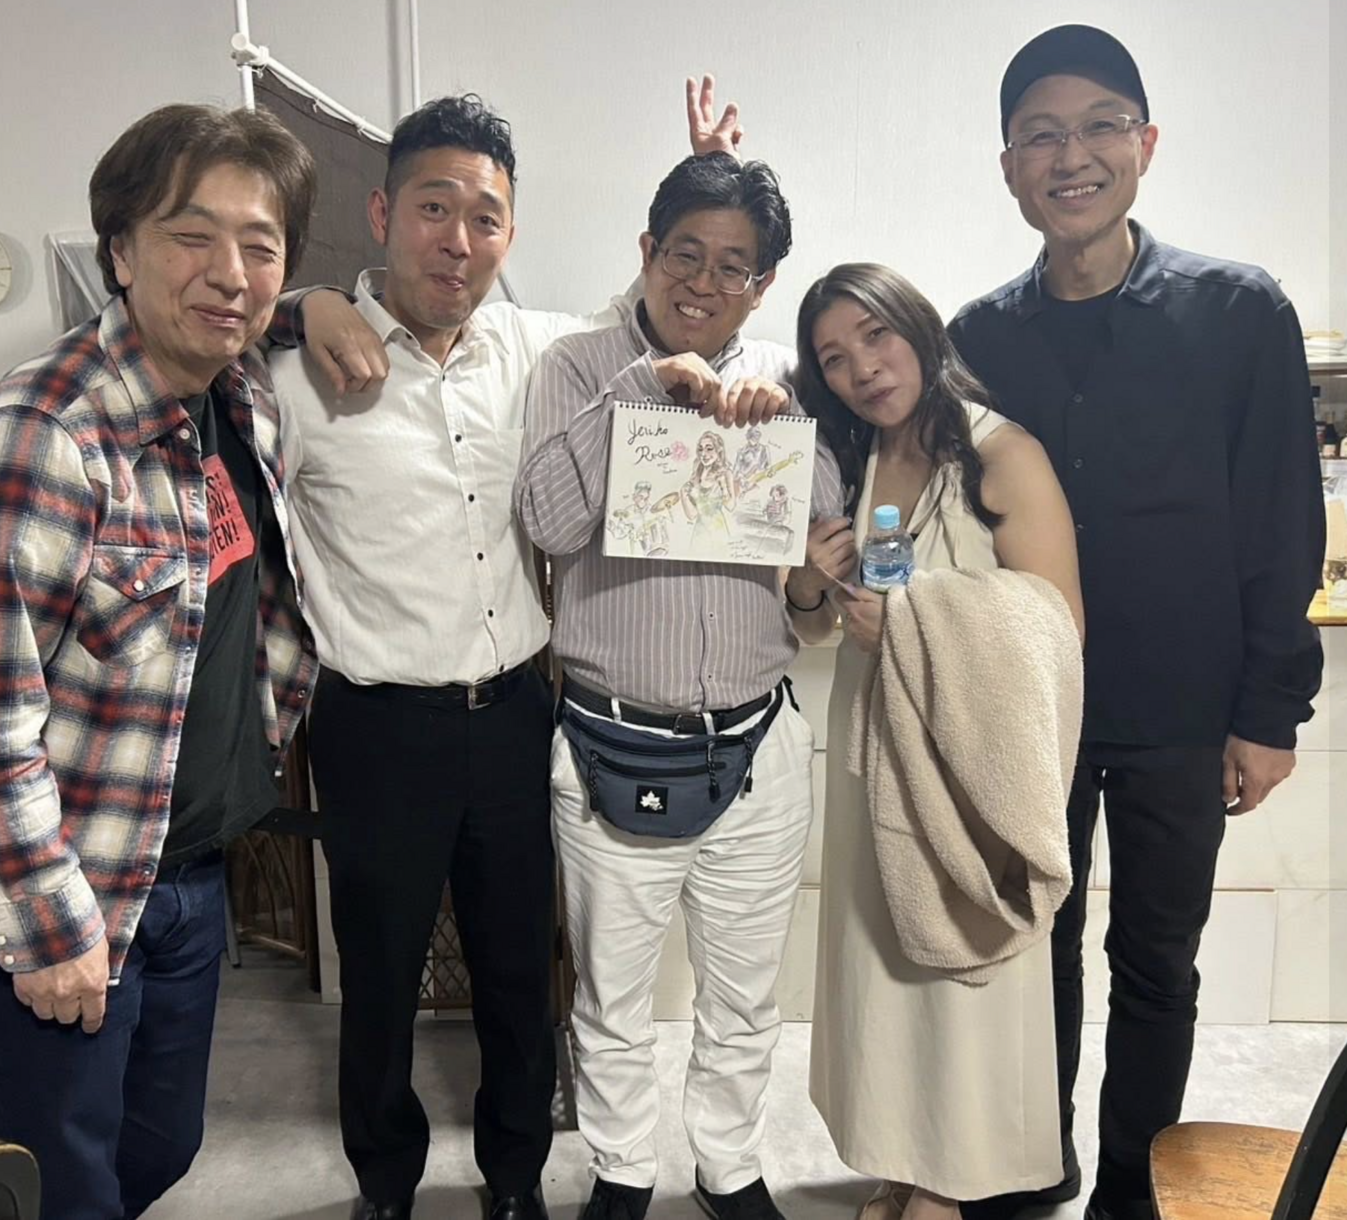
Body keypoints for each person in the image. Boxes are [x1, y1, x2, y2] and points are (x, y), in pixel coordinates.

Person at [264, 81, 745, 1220]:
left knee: (520, 972)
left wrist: (710, 180)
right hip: (376, 722)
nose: (459, 240)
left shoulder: (536, 350)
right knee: (380, 975)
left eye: (485, 218)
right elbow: (205, 333)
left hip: (519, 712)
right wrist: (304, 302)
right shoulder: (297, 379)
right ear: (382, 214)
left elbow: (651, 313)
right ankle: (385, 1185)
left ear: (509, 235)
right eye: (434, 208)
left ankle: (516, 1179)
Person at [946, 26, 1325, 1220]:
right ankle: (1032, 1164)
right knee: (1030, 956)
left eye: (1100, 125)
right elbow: (947, 516)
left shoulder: (1239, 312)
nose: (1073, 156)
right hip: (1029, 713)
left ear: (1146, 143)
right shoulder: (977, 338)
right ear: (1008, 167)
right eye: (1041, 135)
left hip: (1182, 708)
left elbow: (1281, 519)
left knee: (1157, 964)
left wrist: (1270, 711)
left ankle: (1129, 1189)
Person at [0, 104, 322, 1220]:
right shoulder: (42, 435)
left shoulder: (238, 401)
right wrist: (50, 932)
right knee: (67, 1188)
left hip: (186, 877)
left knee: (159, 1147)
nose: (229, 272)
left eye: (260, 245)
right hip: (62, 891)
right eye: (192, 236)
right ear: (121, 251)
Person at [514, 150, 843, 1220]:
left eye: (733, 266)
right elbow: (548, 521)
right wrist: (643, 397)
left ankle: (728, 1167)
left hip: (758, 743)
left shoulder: (787, 381)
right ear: (648, 251)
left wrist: (780, 428)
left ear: (764, 282)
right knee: (613, 992)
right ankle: (620, 1169)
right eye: (685, 254)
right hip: (610, 735)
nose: (703, 283)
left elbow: (823, 546)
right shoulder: (579, 366)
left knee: (745, 992)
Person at [787, 263, 1083, 1220]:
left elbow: (1057, 626)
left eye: (875, 336)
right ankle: (907, 1161)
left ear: (917, 329)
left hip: (968, 773)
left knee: (961, 977)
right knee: (887, 980)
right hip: (875, 754)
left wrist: (917, 618)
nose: (862, 369)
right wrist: (808, 582)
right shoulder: (853, 458)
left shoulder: (1005, 454)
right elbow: (822, 625)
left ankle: (951, 1187)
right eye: (834, 358)